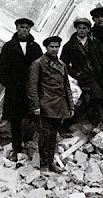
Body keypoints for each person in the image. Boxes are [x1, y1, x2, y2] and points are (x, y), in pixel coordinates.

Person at [0, 17, 43, 161]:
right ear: (17, 28)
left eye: (27, 28)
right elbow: (2, 68)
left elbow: (42, 67)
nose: (24, 30)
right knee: (15, 119)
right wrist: (9, 83)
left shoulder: (35, 47)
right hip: (15, 89)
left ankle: (32, 148)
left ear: (30, 30)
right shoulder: (9, 46)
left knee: (32, 117)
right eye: (22, 27)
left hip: (31, 89)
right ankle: (17, 148)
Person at [27, 36, 74, 173]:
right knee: (44, 135)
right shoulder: (38, 64)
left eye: (56, 47)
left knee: (53, 135)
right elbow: (32, 87)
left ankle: (51, 162)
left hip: (59, 106)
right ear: (46, 48)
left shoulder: (62, 65)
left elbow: (67, 87)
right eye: (51, 47)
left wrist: (70, 106)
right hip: (45, 105)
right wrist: (35, 106)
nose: (54, 49)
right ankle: (44, 165)